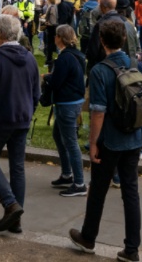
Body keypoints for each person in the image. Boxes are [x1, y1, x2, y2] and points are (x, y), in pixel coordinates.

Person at [70, 20, 142, 262]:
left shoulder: (100, 70)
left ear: (102, 41)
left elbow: (98, 111)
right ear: (124, 39)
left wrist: (92, 142)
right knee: (131, 192)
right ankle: (132, 248)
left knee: (98, 189)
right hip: (134, 135)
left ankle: (88, 237)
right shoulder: (136, 64)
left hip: (110, 139)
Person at [0, 15, 40, 234]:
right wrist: (30, 110)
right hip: (21, 117)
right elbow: (36, 92)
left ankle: (10, 203)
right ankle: (15, 218)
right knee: (17, 167)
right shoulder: (29, 58)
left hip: (1, 117)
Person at [48, 24, 87, 197]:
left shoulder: (64, 58)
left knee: (70, 141)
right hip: (74, 100)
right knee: (58, 135)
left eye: (56, 35)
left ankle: (79, 182)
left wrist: (47, 78)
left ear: (59, 38)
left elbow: (57, 81)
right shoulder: (77, 55)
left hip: (67, 102)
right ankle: (67, 173)